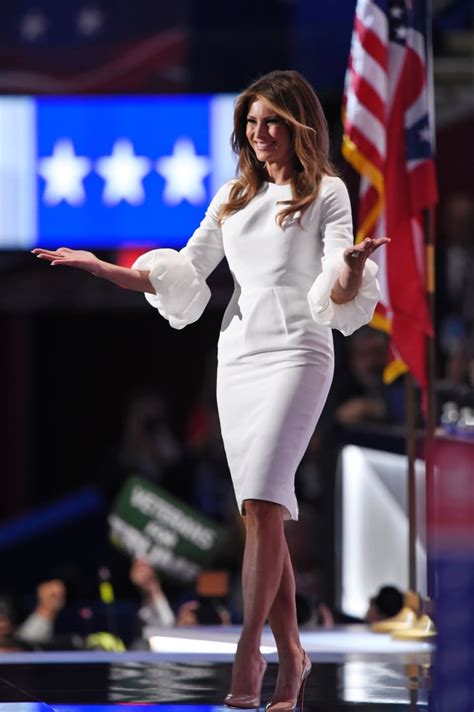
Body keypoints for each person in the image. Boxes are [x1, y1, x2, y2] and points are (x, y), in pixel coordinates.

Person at [33, 69, 388, 710]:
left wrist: (354, 269)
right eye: (251, 123)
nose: (260, 135)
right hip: (240, 357)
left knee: (263, 500)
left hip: (299, 353)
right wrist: (99, 267)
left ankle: (249, 654)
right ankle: (295, 653)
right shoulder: (231, 197)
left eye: (272, 122)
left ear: (299, 125)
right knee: (261, 510)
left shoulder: (327, 193)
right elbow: (182, 273)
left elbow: (339, 291)